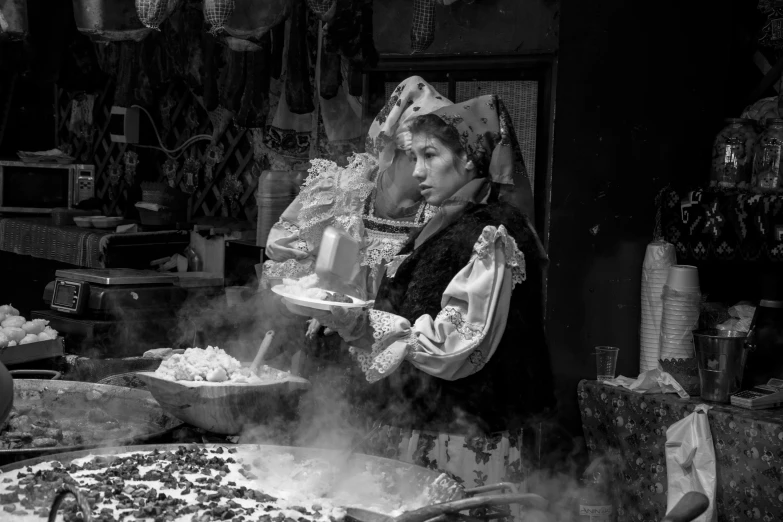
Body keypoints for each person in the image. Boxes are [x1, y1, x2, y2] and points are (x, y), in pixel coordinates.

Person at [284, 95, 554, 489]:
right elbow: (410, 308)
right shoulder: (444, 223)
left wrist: (363, 323)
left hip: (465, 440)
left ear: (468, 159)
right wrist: (346, 320)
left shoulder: (492, 234)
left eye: (431, 156)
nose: (419, 171)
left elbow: (456, 343)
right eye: (414, 157)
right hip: (429, 428)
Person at [262, 76, 453, 301]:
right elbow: (286, 258)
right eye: (425, 155)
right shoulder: (340, 191)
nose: (432, 168)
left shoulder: (442, 210)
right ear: (397, 148)